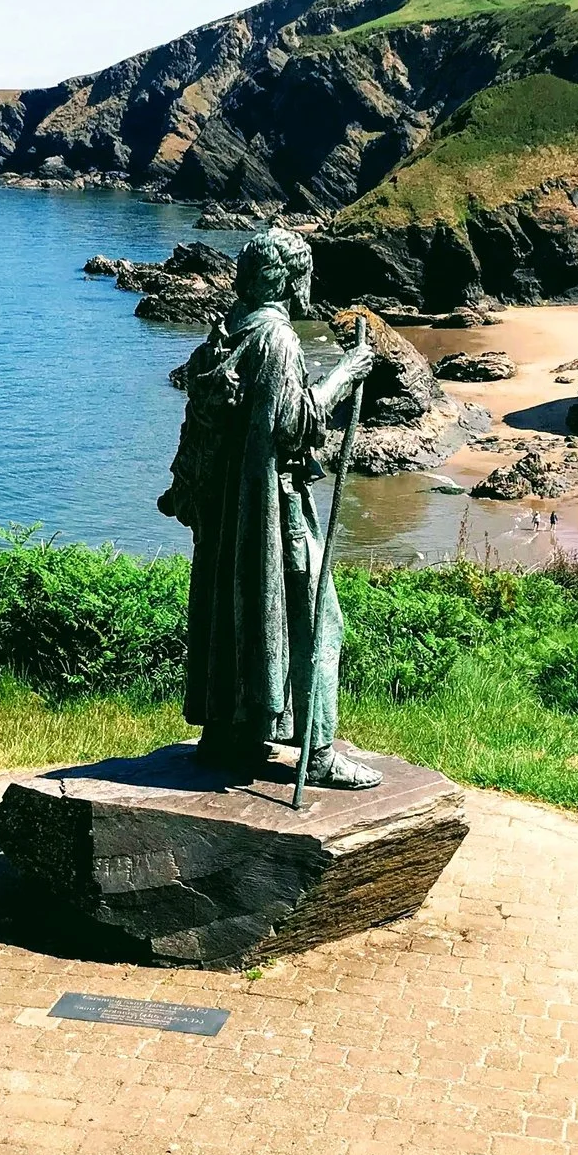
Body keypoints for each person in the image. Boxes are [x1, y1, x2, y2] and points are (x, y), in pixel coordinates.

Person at [158, 228, 381, 789]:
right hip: (270, 510)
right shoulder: (277, 339)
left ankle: (230, 731)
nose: (312, 286)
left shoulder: (229, 330)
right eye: (307, 274)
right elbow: (291, 424)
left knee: (232, 611)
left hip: (227, 509)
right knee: (317, 619)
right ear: (290, 278)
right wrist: (345, 373)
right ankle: (320, 748)